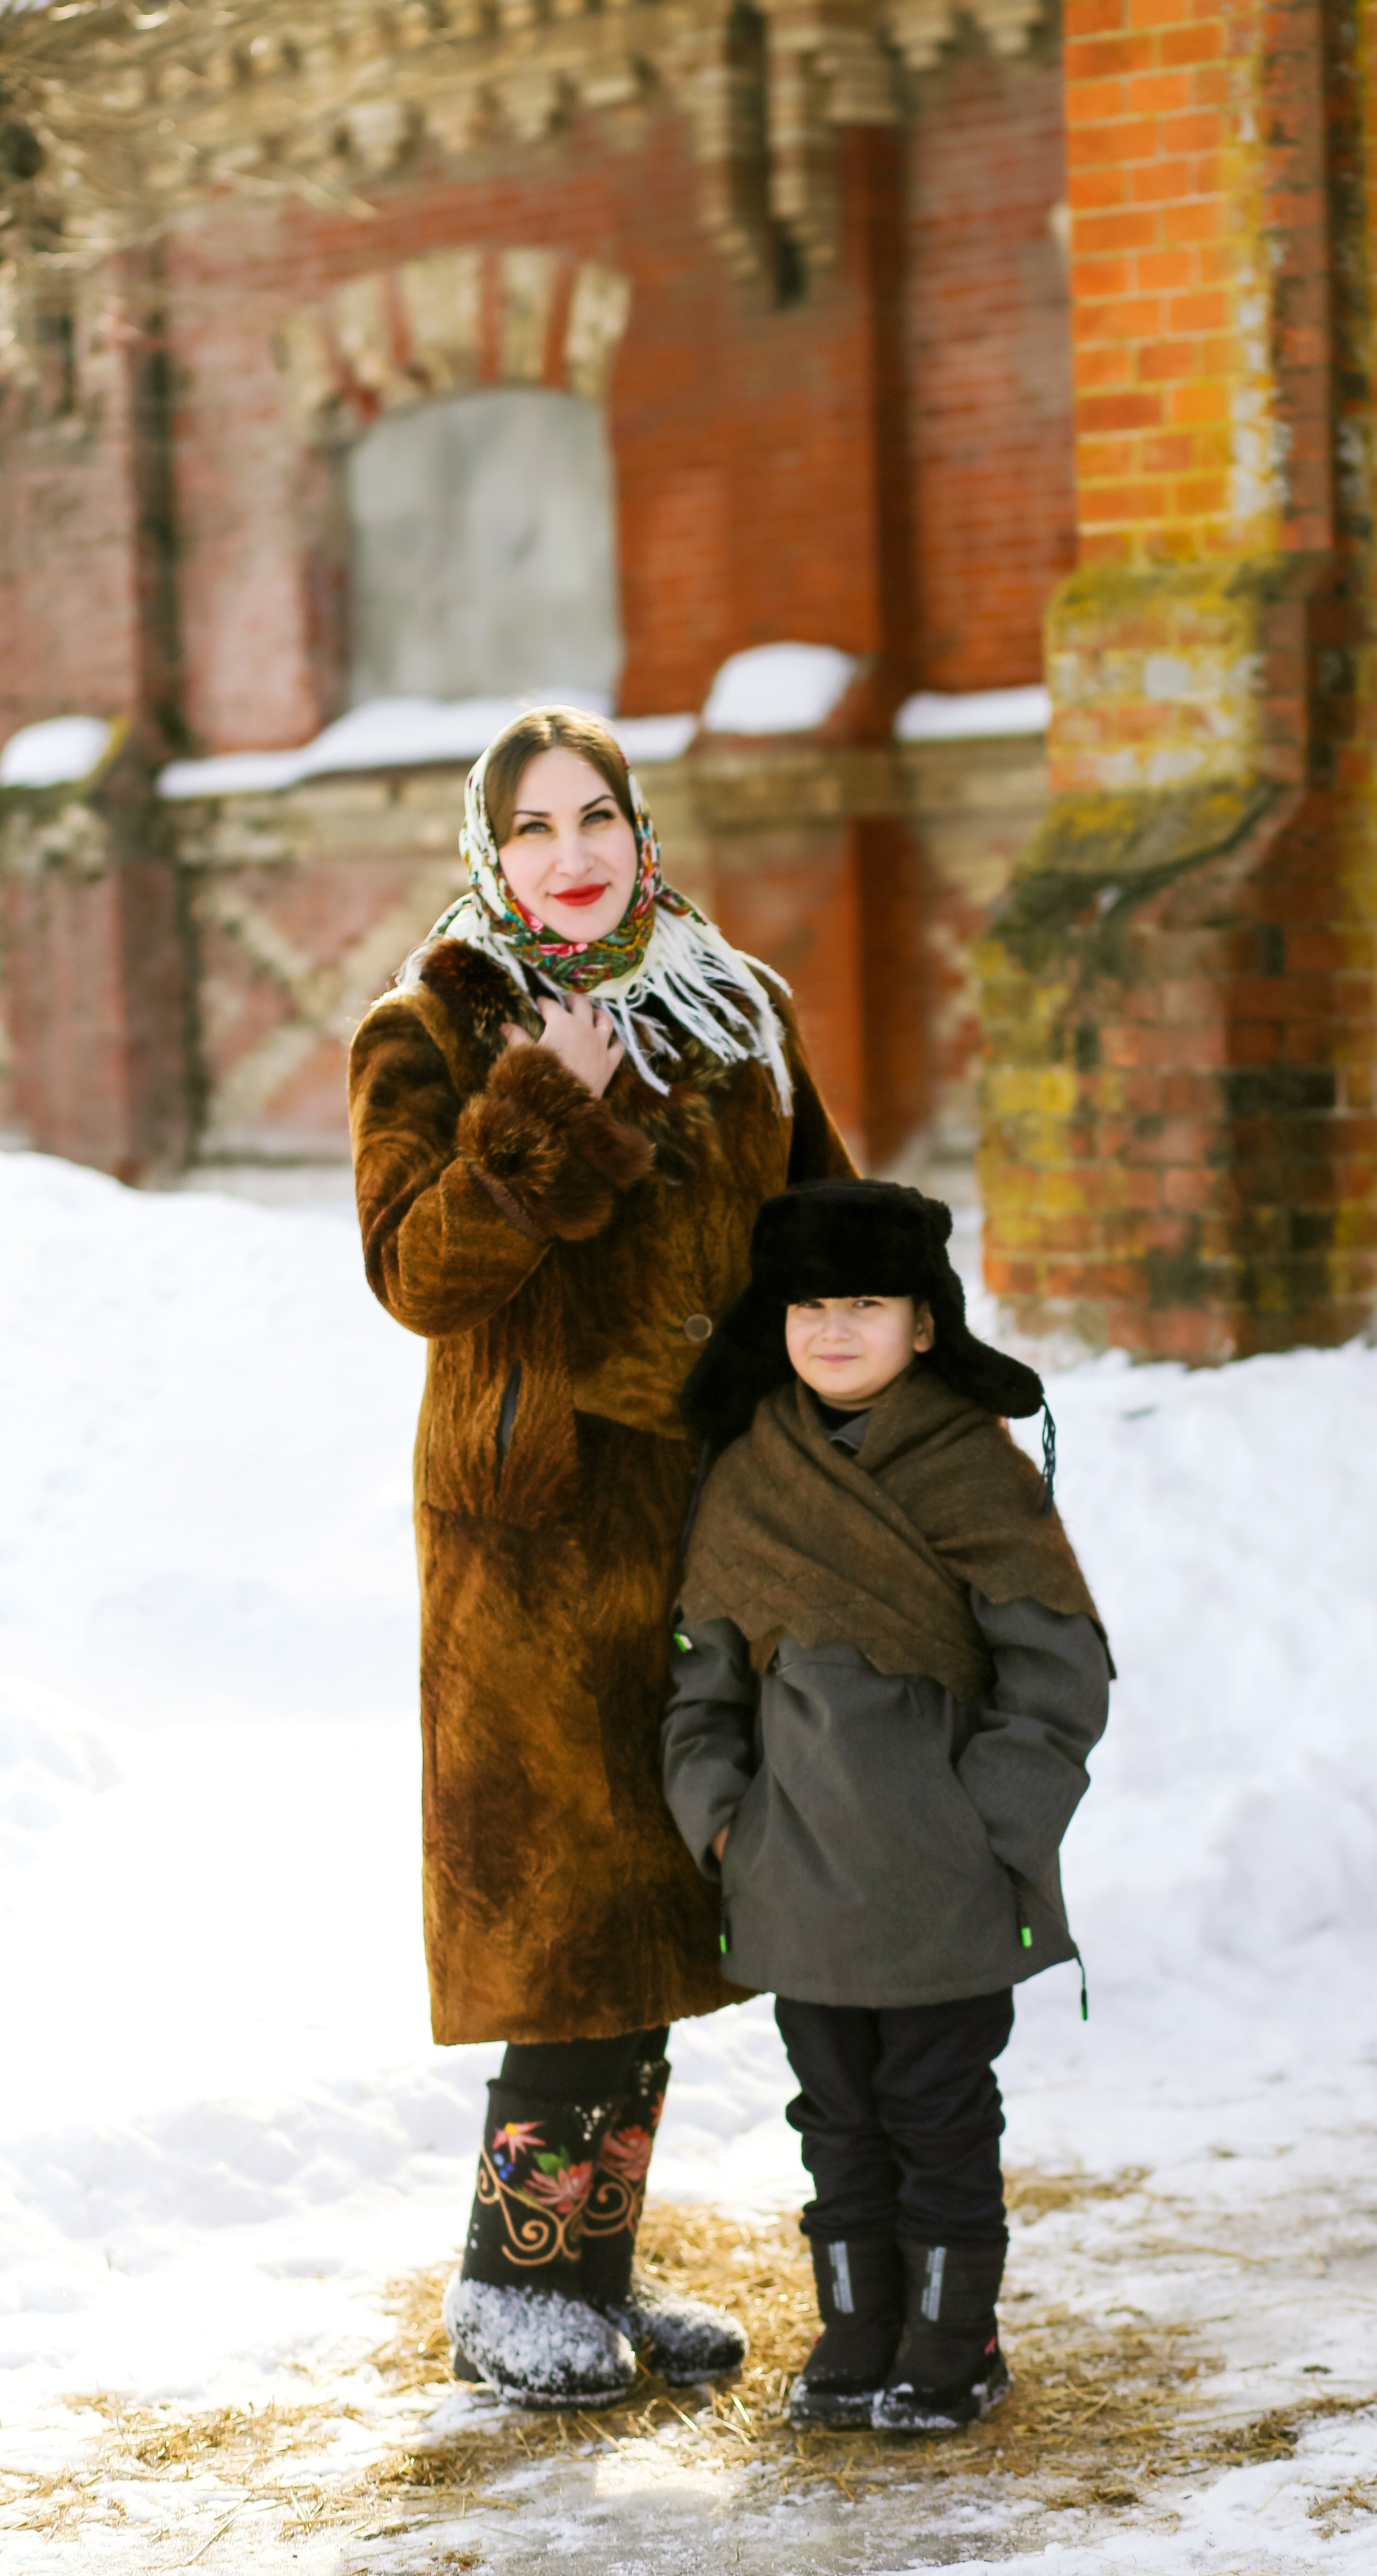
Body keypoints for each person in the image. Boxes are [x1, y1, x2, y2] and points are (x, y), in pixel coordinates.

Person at [347, 708, 853, 2410]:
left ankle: (592, 2280)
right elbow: (419, 1277)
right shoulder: (428, 1029)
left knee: (660, 1914)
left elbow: (822, 1234)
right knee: (559, 1921)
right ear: (489, 857)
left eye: (598, 819)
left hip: (716, 1534)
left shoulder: (738, 1007)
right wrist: (537, 1114)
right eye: (532, 830)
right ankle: (511, 2292)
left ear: (643, 832)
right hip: (538, 1551)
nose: (570, 856)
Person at [661, 1180, 1111, 2433]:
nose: (834, 1330)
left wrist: (986, 1828)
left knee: (939, 2118)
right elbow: (700, 1687)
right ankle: (858, 2331)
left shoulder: (974, 1470)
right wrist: (726, 1824)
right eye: (810, 1305)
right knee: (839, 2126)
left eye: (867, 1303)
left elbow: (1059, 1677)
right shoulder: (752, 1470)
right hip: (795, 1878)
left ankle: (953, 2346)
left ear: (925, 1324)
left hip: (941, 1883)